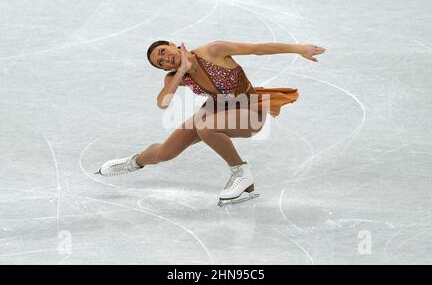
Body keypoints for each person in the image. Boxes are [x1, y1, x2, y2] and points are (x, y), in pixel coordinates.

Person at [96, 40, 326, 205]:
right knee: (166, 153)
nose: (166, 59)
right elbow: (163, 103)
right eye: (161, 62)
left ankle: (240, 172)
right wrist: (181, 71)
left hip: (250, 109)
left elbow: (258, 49)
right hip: (216, 110)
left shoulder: (214, 51)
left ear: (175, 44)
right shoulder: (175, 76)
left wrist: (299, 49)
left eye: (164, 51)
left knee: (206, 127)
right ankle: (135, 161)